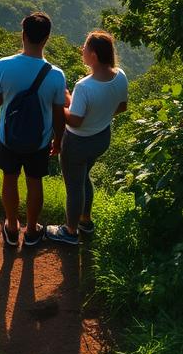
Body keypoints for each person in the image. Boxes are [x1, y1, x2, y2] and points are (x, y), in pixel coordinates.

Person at [0, 12, 67, 248]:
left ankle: (12, 227)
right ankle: (32, 231)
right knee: (35, 182)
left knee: (9, 178)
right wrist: (58, 140)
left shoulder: (4, 65)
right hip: (39, 141)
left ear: (23, 34)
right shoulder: (55, 75)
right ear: (47, 39)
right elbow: (58, 114)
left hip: (8, 137)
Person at [46, 30, 128, 246]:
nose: (82, 49)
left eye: (85, 47)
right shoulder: (120, 76)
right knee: (83, 178)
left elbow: (74, 121)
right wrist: (94, 113)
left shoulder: (84, 86)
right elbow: (121, 107)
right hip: (101, 138)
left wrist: (59, 104)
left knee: (74, 186)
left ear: (94, 56)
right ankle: (85, 220)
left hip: (77, 143)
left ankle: (70, 232)